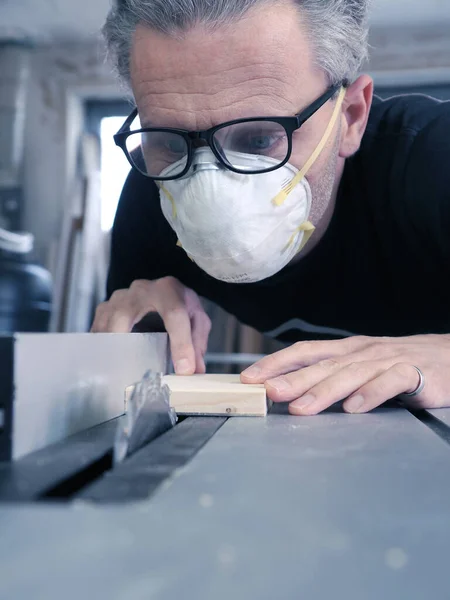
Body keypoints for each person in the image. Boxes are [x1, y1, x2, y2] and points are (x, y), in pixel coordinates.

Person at [92, 0, 450, 416]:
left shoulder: (433, 161)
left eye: (259, 139)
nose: (211, 188)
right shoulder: (152, 187)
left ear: (351, 117)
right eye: (172, 140)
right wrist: (138, 340)